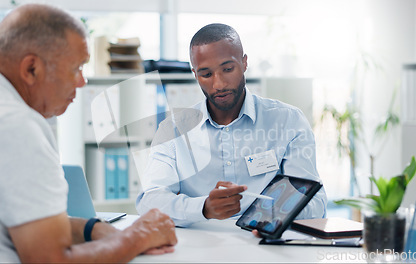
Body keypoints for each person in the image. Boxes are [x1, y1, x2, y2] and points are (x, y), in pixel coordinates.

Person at [0, 4, 176, 263]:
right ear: (31, 69)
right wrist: (138, 236)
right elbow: (53, 260)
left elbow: (21, 220)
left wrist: (91, 228)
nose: (83, 81)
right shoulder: (14, 125)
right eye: (77, 68)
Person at [136, 23, 327, 227]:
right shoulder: (172, 130)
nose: (218, 84)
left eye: (227, 69)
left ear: (244, 63)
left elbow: (315, 202)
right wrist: (203, 208)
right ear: (195, 74)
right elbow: (149, 201)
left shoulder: (289, 121)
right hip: (197, 250)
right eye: (206, 74)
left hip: (266, 245)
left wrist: (270, 218)